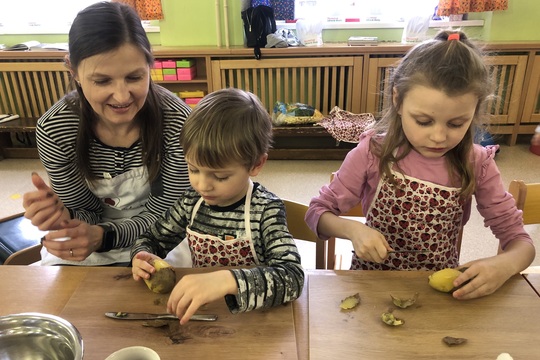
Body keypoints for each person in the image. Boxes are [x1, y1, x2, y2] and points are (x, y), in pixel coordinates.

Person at [305, 30, 535, 300]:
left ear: (475, 111)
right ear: (397, 101)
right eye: (423, 121)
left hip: (436, 296)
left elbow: (522, 244)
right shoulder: (373, 153)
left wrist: (504, 265)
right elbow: (317, 213)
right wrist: (352, 230)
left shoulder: (477, 163)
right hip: (370, 287)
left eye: (456, 123)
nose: (438, 137)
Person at [22, 2, 191, 266]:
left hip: (162, 236)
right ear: (73, 71)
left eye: (135, 77)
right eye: (102, 81)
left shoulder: (177, 120)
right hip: (91, 240)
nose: (122, 96)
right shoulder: (56, 129)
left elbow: (172, 212)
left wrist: (106, 236)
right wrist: (62, 215)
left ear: (150, 64)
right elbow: (86, 212)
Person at [131, 88, 304, 324]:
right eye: (193, 169)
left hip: (255, 321)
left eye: (220, 177)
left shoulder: (266, 210)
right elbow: (152, 239)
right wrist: (142, 257)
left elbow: (292, 278)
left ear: (256, 164)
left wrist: (227, 281)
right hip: (204, 315)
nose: (203, 185)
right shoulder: (191, 202)